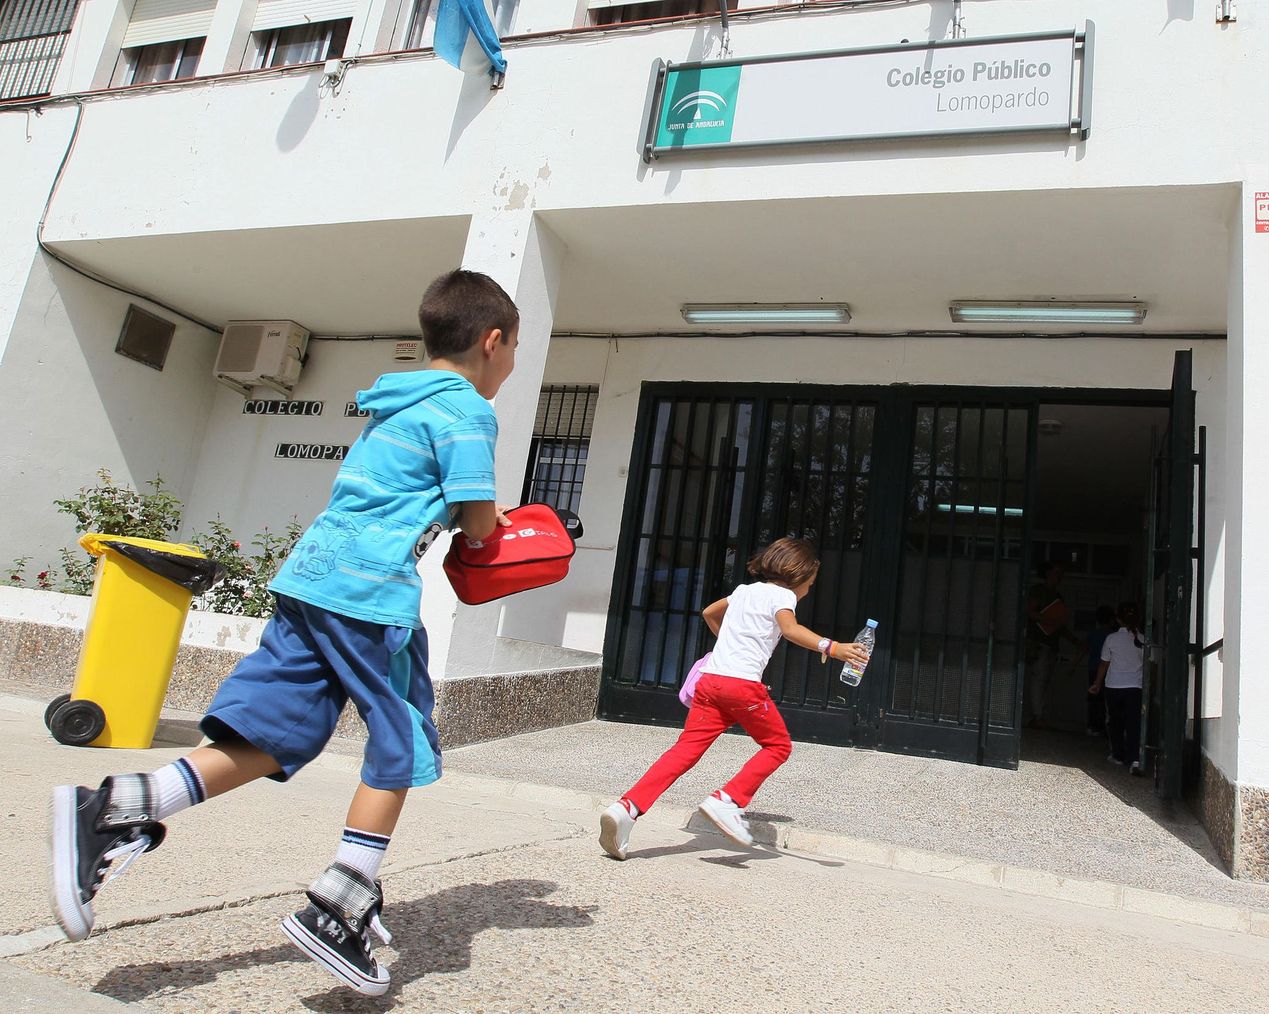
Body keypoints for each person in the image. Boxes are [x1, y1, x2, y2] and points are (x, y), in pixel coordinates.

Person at [48, 269, 521, 997]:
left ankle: (117, 808)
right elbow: (479, 518)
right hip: (367, 596)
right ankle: (342, 902)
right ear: (492, 342)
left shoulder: (395, 400)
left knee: (273, 734)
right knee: (402, 740)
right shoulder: (466, 411)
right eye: (513, 350)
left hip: (309, 580)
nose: (511, 365)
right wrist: (508, 529)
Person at [599, 538, 868, 860]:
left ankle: (627, 808)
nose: (809, 589)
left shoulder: (744, 591)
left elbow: (709, 612)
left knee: (684, 750)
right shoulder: (783, 596)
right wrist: (833, 648)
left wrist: (730, 639)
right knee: (778, 746)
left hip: (711, 682)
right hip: (741, 686)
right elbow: (791, 630)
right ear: (799, 575)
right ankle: (729, 800)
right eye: (810, 583)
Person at [1091, 601, 1147, 776]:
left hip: (1114, 686)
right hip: (1135, 687)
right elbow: (1150, 665)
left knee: (1115, 721)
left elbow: (1104, 663)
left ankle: (1117, 755)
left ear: (1117, 619)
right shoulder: (1144, 639)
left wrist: (1097, 683)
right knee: (1133, 723)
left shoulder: (1111, 638)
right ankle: (1134, 757)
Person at [1024, 560, 1076, 728]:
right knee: (1039, 679)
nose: (1060, 577)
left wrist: (1075, 641)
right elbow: (1030, 612)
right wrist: (1051, 620)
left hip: (1050, 643)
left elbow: (1060, 626)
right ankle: (1038, 716)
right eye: (1056, 572)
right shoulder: (1039, 591)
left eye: (1061, 574)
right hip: (1039, 642)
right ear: (1047, 573)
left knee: (1043, 681)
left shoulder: (1057, 596)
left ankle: (1037, 715)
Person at [1083, 605, 1117, 736]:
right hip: (1109, 672)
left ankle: (1093, 726)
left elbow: (1084, 649)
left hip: (1093, 670)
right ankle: (1103, 727)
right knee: (1106, 701)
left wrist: (1073, 665)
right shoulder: (1113, 636)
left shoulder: (1093, 634)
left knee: (1094, 699)